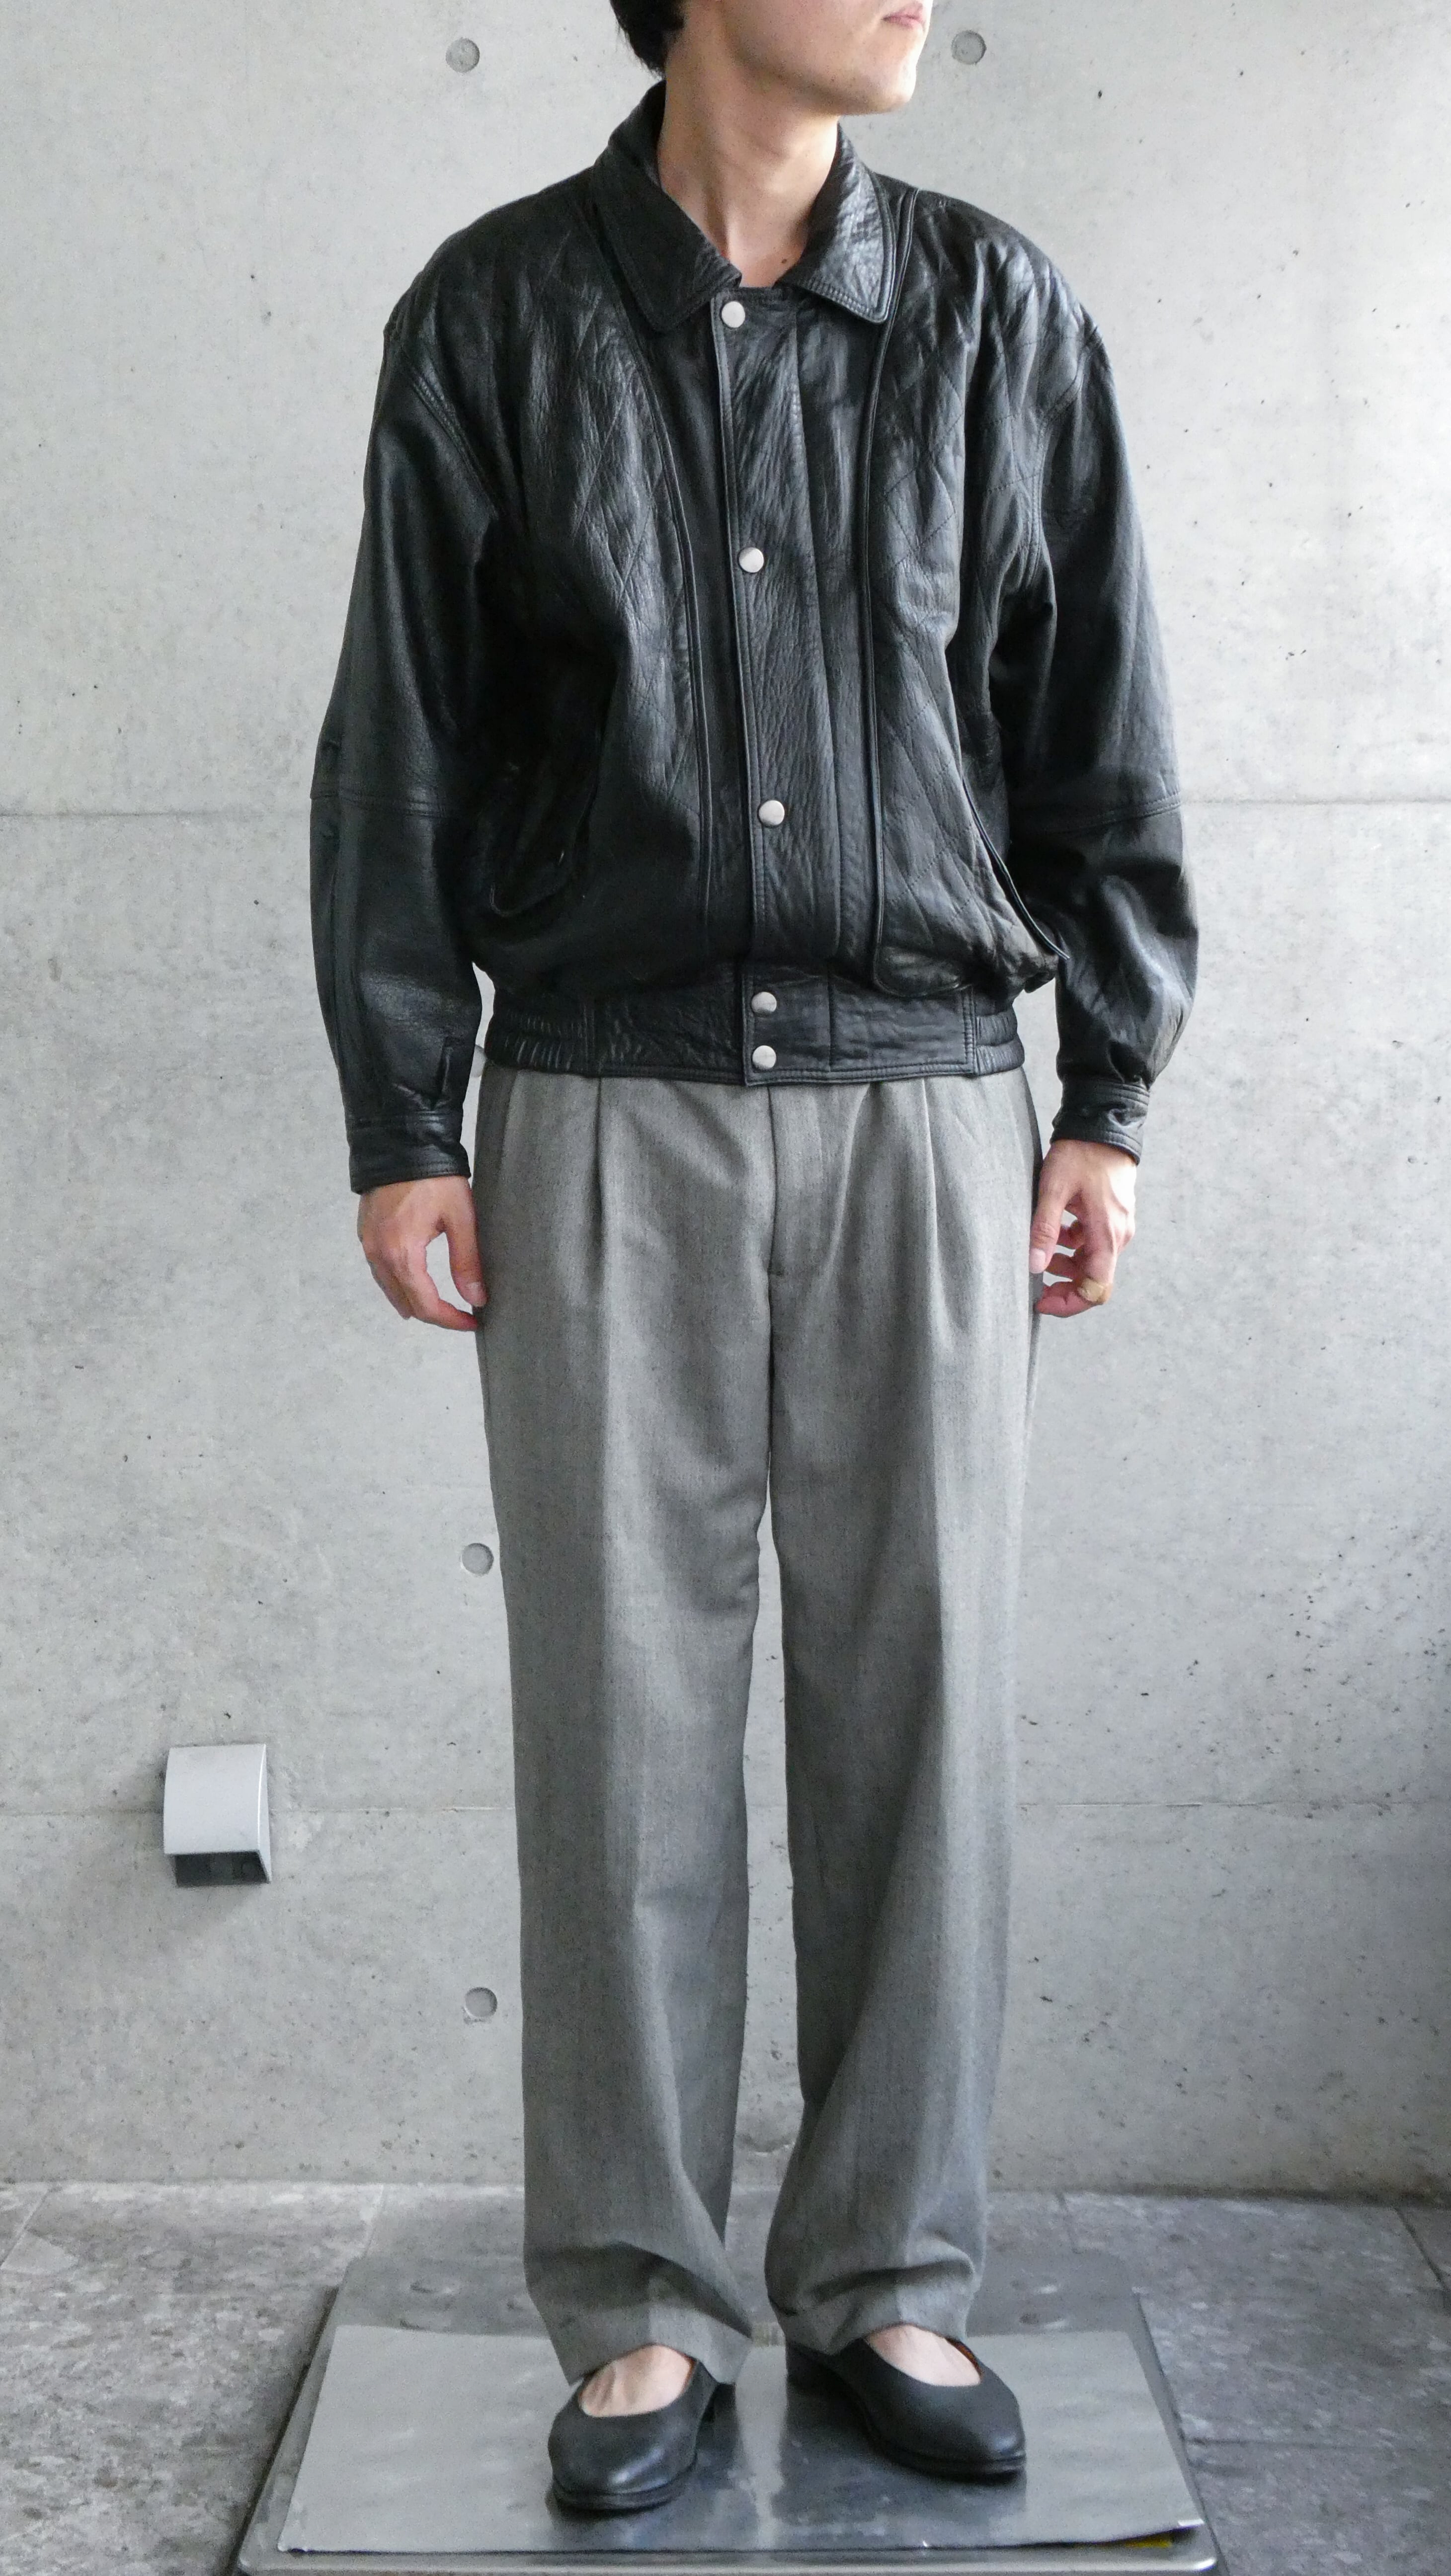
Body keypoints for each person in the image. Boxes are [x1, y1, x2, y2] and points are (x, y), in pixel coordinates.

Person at [311, 0, 1196, 2516]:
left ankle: (890, 2275)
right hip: (602, 1100)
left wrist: (1109, 1093)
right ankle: (637, 2312)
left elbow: (1096, 723)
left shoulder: (1000, 317)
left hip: (929, 1105)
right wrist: (403, 1116)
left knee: (928, 1714)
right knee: (617, 1728)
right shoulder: (497, 316)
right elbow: (406, 741)